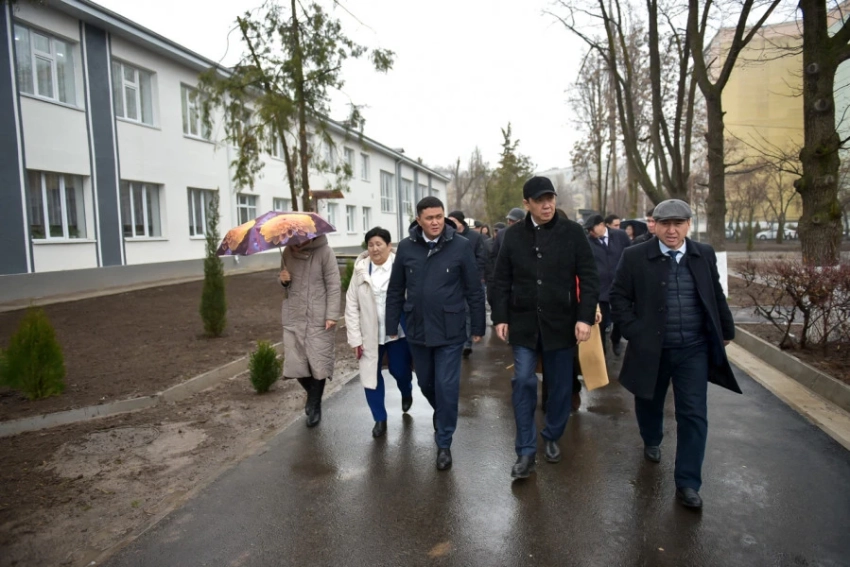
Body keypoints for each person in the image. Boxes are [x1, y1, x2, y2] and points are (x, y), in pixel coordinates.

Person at [610, 199, 740, 510]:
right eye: (665, 224)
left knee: (693, 414)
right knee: (649, 402)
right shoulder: (635, 255)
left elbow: (715, 293)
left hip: (693, 349)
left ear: (688, 225)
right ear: (654, 225)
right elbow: (619, 296)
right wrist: (634, 331)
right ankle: (651, 439)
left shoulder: (702, 253)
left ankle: (688, 482)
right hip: (652, 349)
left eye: (678, 223)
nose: (672, 230)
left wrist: (725, 329)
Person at [492, 177, 600, 480]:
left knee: (561, 386)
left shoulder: (572, 232)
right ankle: (525, 450)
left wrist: (584, 317)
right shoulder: (513, 236)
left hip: (562, 323)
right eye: (539, 200)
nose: (547, 205)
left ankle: (552, 434)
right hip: (524, 323)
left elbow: (589, 277)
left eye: (550, 198)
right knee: (523, 381)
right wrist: (500, 317)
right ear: (527, 204)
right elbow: (501, 279)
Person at [386, 196, 485, 471]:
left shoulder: (460, 246)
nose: (435, 222)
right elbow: (396, 289)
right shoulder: (406, 247)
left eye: (439, 217)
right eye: (429, 218)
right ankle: (441, 413)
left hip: (451, 330)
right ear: (419, 220)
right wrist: (392, 325)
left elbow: (474, 290)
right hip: (417, 328)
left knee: (446, 385)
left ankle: (444, 442)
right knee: (426, 383)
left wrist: (478, 326)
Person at [345, 227, 414, 439]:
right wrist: (355, 339)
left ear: (389, 246)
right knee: (370, 377)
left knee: (399, 370)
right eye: (371, 245)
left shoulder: (401, 266)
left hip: (397, 333)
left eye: (379, 244)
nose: (375, 249)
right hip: (369, 335)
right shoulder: (360, 271)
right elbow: (351, 305)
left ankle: (406, 390)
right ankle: (379, 418)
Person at [279, 234, 340, 428]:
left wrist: (332, 315)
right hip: (294, 315)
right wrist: (283, 280)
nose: (297, 239)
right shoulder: (287, 252)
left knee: (318, 362)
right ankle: (314, 395)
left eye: (302, 235)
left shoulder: (325, 252)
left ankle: (314, 404)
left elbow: (333, 285)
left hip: (318, 317)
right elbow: (286, 285)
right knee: (296, 363)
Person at [585, 213, 631, 357]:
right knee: (601, 323)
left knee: (620, 318)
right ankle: (602, 355)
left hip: (620, 286)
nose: (590, 232)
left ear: (601, 225)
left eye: (592, 229)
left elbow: (630, 254)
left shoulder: (620, 236)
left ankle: (616, 339)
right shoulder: (588, 242)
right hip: (601, 290)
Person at [448, 210, 487, 358]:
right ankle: (459, 341)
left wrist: (476, 275)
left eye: (453, 221)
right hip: (454, 282)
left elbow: (481, 258)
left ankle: (467, 343)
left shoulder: (475, 237)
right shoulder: (449, 237)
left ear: (461, 222)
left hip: (471, 281)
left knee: (470, 311)